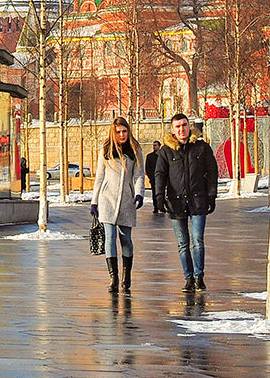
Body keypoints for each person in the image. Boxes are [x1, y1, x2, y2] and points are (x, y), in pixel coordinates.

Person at [156, 112, 218, 293]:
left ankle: (199, 276)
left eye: (184, 125)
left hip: (198, 199)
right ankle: (188, 278)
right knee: (182, 244)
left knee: (198, 240)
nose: (181, 129)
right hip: (176, 202)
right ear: (172, 129)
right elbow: (160, 174)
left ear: (189, 126)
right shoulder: (166, 151)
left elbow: (212, 171)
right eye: (177, 126)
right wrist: (159, 196)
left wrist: (211, 195)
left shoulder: (201, 147)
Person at [89, 116, 146, 293]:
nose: (122, 135)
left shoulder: (135, 149)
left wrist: (139, 194)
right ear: (113, 133)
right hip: (107, 199)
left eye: (124, 131)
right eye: (118, 132)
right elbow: (99, 177)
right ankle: (113, 277)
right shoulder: (106, 149)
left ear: (128, 131)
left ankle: (126, 275)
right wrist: (94, 201)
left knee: (125, 238)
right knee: (110, 237)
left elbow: (139, 175)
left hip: (127, 200)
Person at [144, 141, 164, 213]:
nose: (154, 147)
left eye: (155, 145)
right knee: (154, 193)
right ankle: (156, 207)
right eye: (153, 145)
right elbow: (147, 168)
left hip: (162, 178)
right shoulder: (150, 156)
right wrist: (150, 177)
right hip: (153, 178)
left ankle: (161, 206)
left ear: (159, 146)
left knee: (161, 193)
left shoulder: (162, 156)